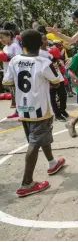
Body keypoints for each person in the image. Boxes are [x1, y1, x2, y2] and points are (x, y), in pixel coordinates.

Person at [2, 29, 65, 197]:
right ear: (41, 44)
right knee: (35, 142)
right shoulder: (43, 62)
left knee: (39, 137)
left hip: (23, 107)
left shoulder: (15, 60)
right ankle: (27, 183)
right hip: (40, 108)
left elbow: (7, 81)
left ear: (21, 44)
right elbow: (57, 81)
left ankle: (52, 163)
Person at [0, 29, 23, 119]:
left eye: (2, 37)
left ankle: (22, 112)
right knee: (14, 93)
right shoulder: (5, 48)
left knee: (19, 93)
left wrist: (7, 57)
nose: (1, 40)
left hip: (16, 73)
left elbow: (20, 59)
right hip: (8, 73)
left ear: (9, 36)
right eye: (0, 38)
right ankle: (18, 111)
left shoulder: (15, 46)